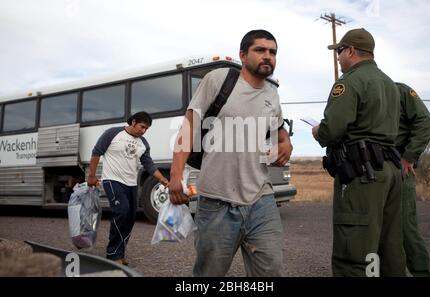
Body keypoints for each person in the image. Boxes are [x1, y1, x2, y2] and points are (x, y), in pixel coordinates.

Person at [168, 29, 293, 277]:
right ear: (243, 55)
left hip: (261, 199)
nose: (267, 56)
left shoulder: (272, 94)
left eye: (273, 52)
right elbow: (189, 125)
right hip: (216, 201)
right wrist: (175, 175)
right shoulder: (219, 79)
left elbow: (281, 133)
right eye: (260, 50)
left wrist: (286, 144)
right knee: (209, 274)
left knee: (272, 273)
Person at [312, 28, 406, 276]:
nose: (338, 57)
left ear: (351, 51)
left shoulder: (349, 81)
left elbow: (332, 130)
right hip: (390, 171)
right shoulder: (389, 84)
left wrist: (318, 131)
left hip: (363, 174)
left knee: (353, 252)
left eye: (340, 51)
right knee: (389, 247)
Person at [87, 111, 169, 265]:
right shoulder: (112, 134)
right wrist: (91, 176)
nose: (143, 131)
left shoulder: (143, 143)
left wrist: (163, 180)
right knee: (122, 211)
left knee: (130, 218)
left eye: (146, 129)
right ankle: (113, 254)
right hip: (112, 180)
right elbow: (96, 153)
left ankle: (120, 251)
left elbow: (149, 165)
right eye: (142, 127)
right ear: (133, 122)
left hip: (131, 183)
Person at [396, 82, 430, 276]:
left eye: (342, 50)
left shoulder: (399, 90)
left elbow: (425, 123)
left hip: (399, 171)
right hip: (375, 172)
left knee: (405, 229)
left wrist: (408, 156)